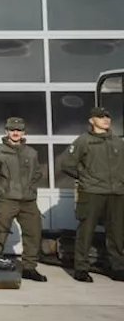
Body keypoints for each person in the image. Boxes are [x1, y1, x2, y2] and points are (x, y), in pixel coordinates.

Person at [59, 107, 124, 282]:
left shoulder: (118, 141)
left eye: (108, 116)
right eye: (101, 117)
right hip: (92, 192)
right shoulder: (83, 141)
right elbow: (66, 163)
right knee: (86, 230)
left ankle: (118, 267)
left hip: (116, 192)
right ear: (92, 120)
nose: (105, 119)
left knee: (117, 232)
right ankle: (81, 268)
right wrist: (85, 177)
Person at [0, 117, 48, 282]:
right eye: (12, 130)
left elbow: (37, 172)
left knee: (33, 232)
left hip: (28, 200)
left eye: (18, 130)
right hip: (7, 200)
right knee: (0, 232)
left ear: (23, 132)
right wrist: (1, 185)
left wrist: (29, 186)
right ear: (6, 132)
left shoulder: (31, 153)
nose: (15, 133)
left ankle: (29, 268)